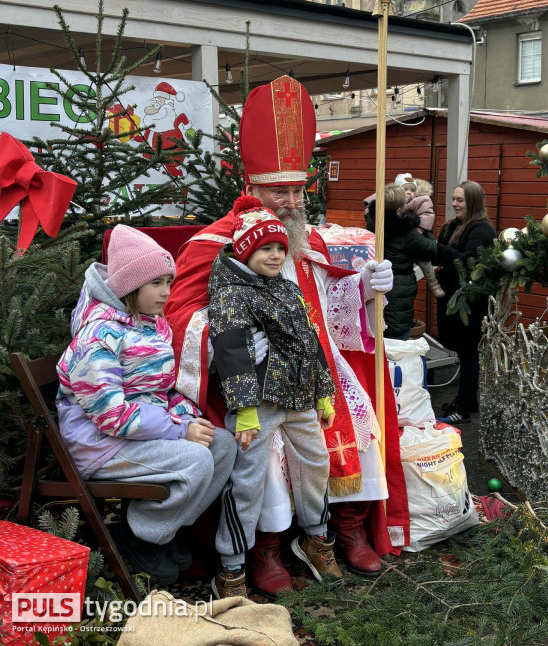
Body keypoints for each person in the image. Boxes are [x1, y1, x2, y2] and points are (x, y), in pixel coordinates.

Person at [165, 75, 410, 597]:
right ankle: (264, 551)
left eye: (299, 190)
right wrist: (235, 343)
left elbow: (324, 305)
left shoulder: (304, 239)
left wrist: (366, 288)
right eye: (281, 191)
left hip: (310, 372)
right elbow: (180, 317)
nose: (293, 203)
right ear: (251, 188)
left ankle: (343, 530)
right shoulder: (216, 245)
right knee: (262, 462)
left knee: (356, 421)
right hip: (251, 385)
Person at [56, 225, 236, 585]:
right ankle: (137, 537)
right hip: (101, 445)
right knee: (196, 458)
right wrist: (180, 430)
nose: (166, 291)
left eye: (169, 281)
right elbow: (111, 416)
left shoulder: (151, 326)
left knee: (223, 445)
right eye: (156, 283)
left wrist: (186, 417)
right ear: (130, 286)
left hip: (137, 433)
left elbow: (163, 390)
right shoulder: (98, 337)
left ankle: (160, 533)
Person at [209, 196, 341, 598]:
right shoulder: (231, 293)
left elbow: (309, 341)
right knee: (247, 481)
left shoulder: (284, 287)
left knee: (316, 463)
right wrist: (245, 410)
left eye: (280, 248)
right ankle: (231, 565)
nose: (275, 255)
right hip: (260, 406)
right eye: (265, 248)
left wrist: (323, 394)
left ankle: (317, 537)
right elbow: (232, 354)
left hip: (298, 398)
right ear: (245, 250)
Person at [436, 181, 497, 423]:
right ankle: (467, 400)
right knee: (464, 353)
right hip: (455, 301)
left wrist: (439, 249)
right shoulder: (454, 226)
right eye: (453, 199)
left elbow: (466, 262)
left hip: (470, 305)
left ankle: (463, 408)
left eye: (460, 200)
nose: (454, 204)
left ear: (473, 202)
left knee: (469, 353)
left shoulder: (482, 230)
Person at [372, 185, 441, 340]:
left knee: (380, 333)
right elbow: (431, 250)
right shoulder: (407, 233)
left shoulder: (375, 224)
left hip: (379, 285)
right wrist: (425, 229)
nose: (407, 205)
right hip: (398, 291)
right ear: (398, 211)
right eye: (404, 203)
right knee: (397, 335)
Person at [393, 173, 444, 298]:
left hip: (417, 235)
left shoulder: (421, 200)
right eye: (405, 189)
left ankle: (433, 284)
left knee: (425, 262)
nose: (409, 192)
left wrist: (420, 229)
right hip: (400, 242)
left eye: (412, 190)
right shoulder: (393, 203)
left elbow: (427, 214)